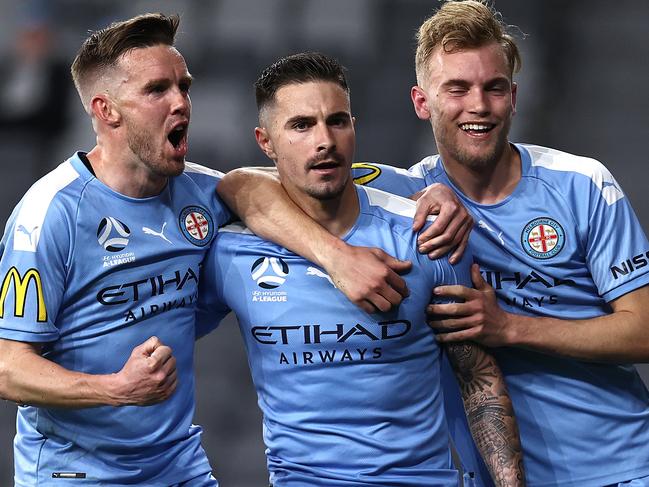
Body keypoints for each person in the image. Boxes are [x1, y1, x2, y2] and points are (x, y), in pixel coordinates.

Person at [0, 13, 458, 486]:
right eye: (158, 90)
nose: (181, 102)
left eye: (185, 86)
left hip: (179, 466)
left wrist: (424, 189)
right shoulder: (49, 215)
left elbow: (287, 181)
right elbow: (8, 367)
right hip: (78, 472)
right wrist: (115, 390)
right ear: (107, 110)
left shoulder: (200, 191)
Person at [347, 1, 649, 486]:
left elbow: (644, 331)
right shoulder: (404, 195)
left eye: (494, 88)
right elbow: (258, 183)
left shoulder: (582, 183)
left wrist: (509, 327)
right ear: (421, 102)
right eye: (457, 89)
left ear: (514, 97)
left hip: (617, 468)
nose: (479, 106)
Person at [197, 51, 525, 487]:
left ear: (354, 127)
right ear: (265, 141)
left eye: (337, 121)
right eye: (301, 125)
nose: (325, 141)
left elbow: (477, 377)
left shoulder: (428, 238)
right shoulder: (229, 253)